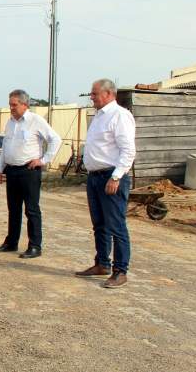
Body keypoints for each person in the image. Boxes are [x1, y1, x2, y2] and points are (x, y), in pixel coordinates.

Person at [75, 79, 136, 289]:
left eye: (94, 93)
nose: (91, 97)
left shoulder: (120, 116)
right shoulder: (99, 117)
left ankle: (121, 271)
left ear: (109, 93)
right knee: (99, 224)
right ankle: (102, 264)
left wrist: (116, 177)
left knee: (116, 226)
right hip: (95, 177)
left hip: (111, 177)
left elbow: (128, 150)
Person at [0, 90, 62, 259]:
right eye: (10, 104)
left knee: (31, 210)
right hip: (12, 170)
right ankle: (11, 242)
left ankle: (35, 246)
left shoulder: (35, 121)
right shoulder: (10, 123)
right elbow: (5, 148)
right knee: (13, 209)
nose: (11, 108)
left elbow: (55, 139)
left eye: (14, 105)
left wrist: (44, 160)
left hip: (29, 171)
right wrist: (0, 170)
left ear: (25, 105)